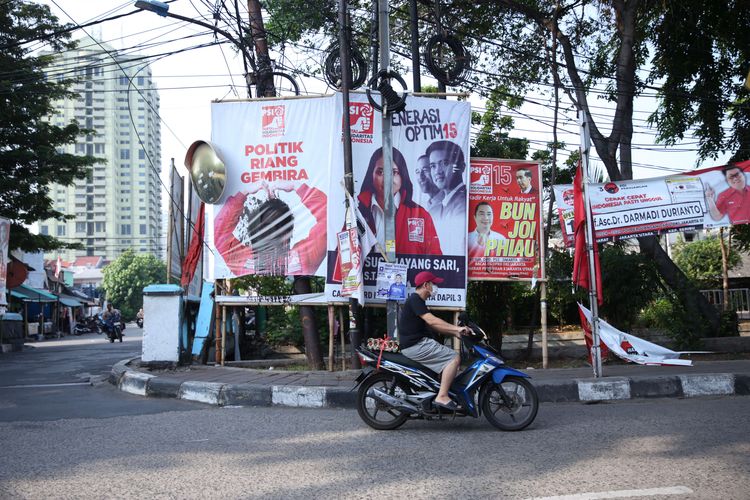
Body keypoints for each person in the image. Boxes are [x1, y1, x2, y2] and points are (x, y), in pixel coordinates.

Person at [214, 179, 327, 276]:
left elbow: (218, 232)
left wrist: (245, 192)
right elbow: (330, 218)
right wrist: (296, 186)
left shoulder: (242, 260)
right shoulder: (304, 257)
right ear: (289, 230)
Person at [399, 271, 471, 411]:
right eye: (434, 284)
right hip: (416, 345)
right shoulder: (415, 300)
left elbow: (434, 326)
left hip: (417, 343)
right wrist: (456, 328)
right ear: (426, 285)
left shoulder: (419, 302)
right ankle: (442, 396)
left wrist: (455, 332)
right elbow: (432, 320)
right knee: (453, 357)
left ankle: (438, 392)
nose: (436, 287)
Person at [358, 147, 442, 255]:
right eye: (381, 172)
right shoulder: (357, 214)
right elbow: (342, 259)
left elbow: (436, 263)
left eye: (394, 172)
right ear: (371, 175)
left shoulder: (421, 215)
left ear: (402, 176)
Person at [426, 141, 467, 220]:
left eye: (445, 163)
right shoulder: (441, 203)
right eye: (433, 166)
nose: (437, 171)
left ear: (461, 167)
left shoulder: (463, 202)